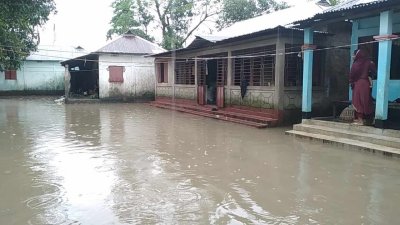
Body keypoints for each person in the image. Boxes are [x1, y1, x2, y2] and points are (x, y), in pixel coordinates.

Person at [349, 49, 377, 125]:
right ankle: (370, 119)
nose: (353, 57)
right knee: (367, 100)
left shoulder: (355, 64)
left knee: (358, 101)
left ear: (357, 55)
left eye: (353, 55)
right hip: (367, 84)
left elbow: (351, 75)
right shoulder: (369, 62)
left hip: (358, 84)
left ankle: (360, 120)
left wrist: (351, 82)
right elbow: (375, 71)